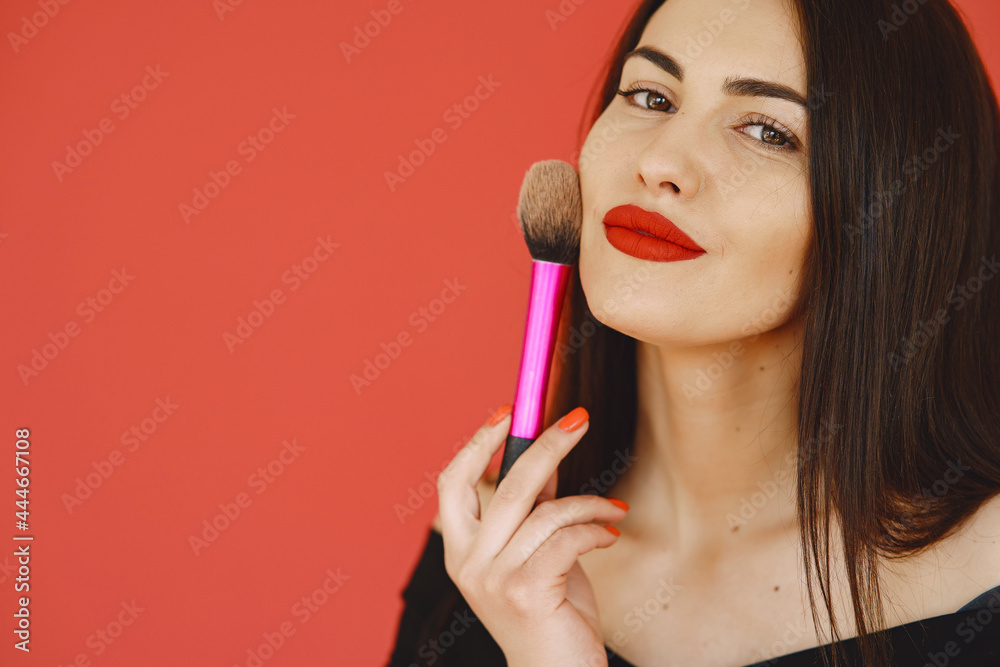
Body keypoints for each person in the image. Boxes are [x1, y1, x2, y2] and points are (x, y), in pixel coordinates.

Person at [388, 0, 1000, 664]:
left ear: (891, 212)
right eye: (650, 95)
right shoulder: (488, 558)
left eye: (766, 131)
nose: (661, 162)